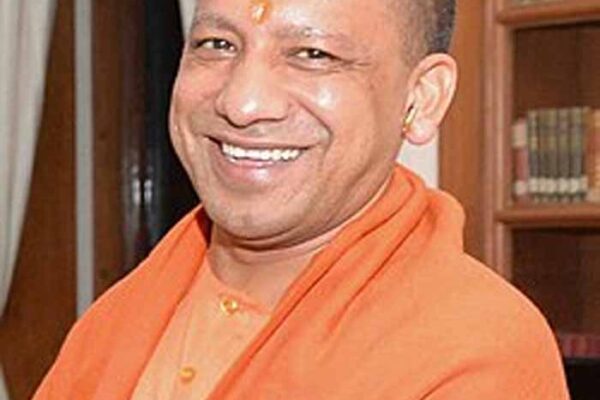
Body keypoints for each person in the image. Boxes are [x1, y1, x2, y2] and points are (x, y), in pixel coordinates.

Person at [35, 0, 570, 398]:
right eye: (217, 45)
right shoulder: (122, 315)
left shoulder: (473, 351)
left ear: (421, 98)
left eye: (314, 54)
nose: (243, 103)